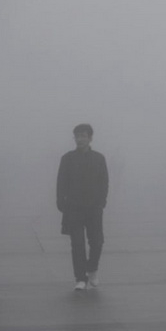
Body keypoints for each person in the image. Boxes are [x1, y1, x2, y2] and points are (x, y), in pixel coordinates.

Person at [57, 124, 109, 291]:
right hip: (73, 208)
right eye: (77, 136)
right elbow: (61, 182)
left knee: (97, 242)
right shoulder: (67, 158)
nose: (80, 139)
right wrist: (61, 203)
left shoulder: (99, 158)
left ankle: (92, 269)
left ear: (90, 138)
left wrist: (102, 202)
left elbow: (104, 181)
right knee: (77, 244)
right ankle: (80, 278)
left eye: (83, 136)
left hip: (94, 208)